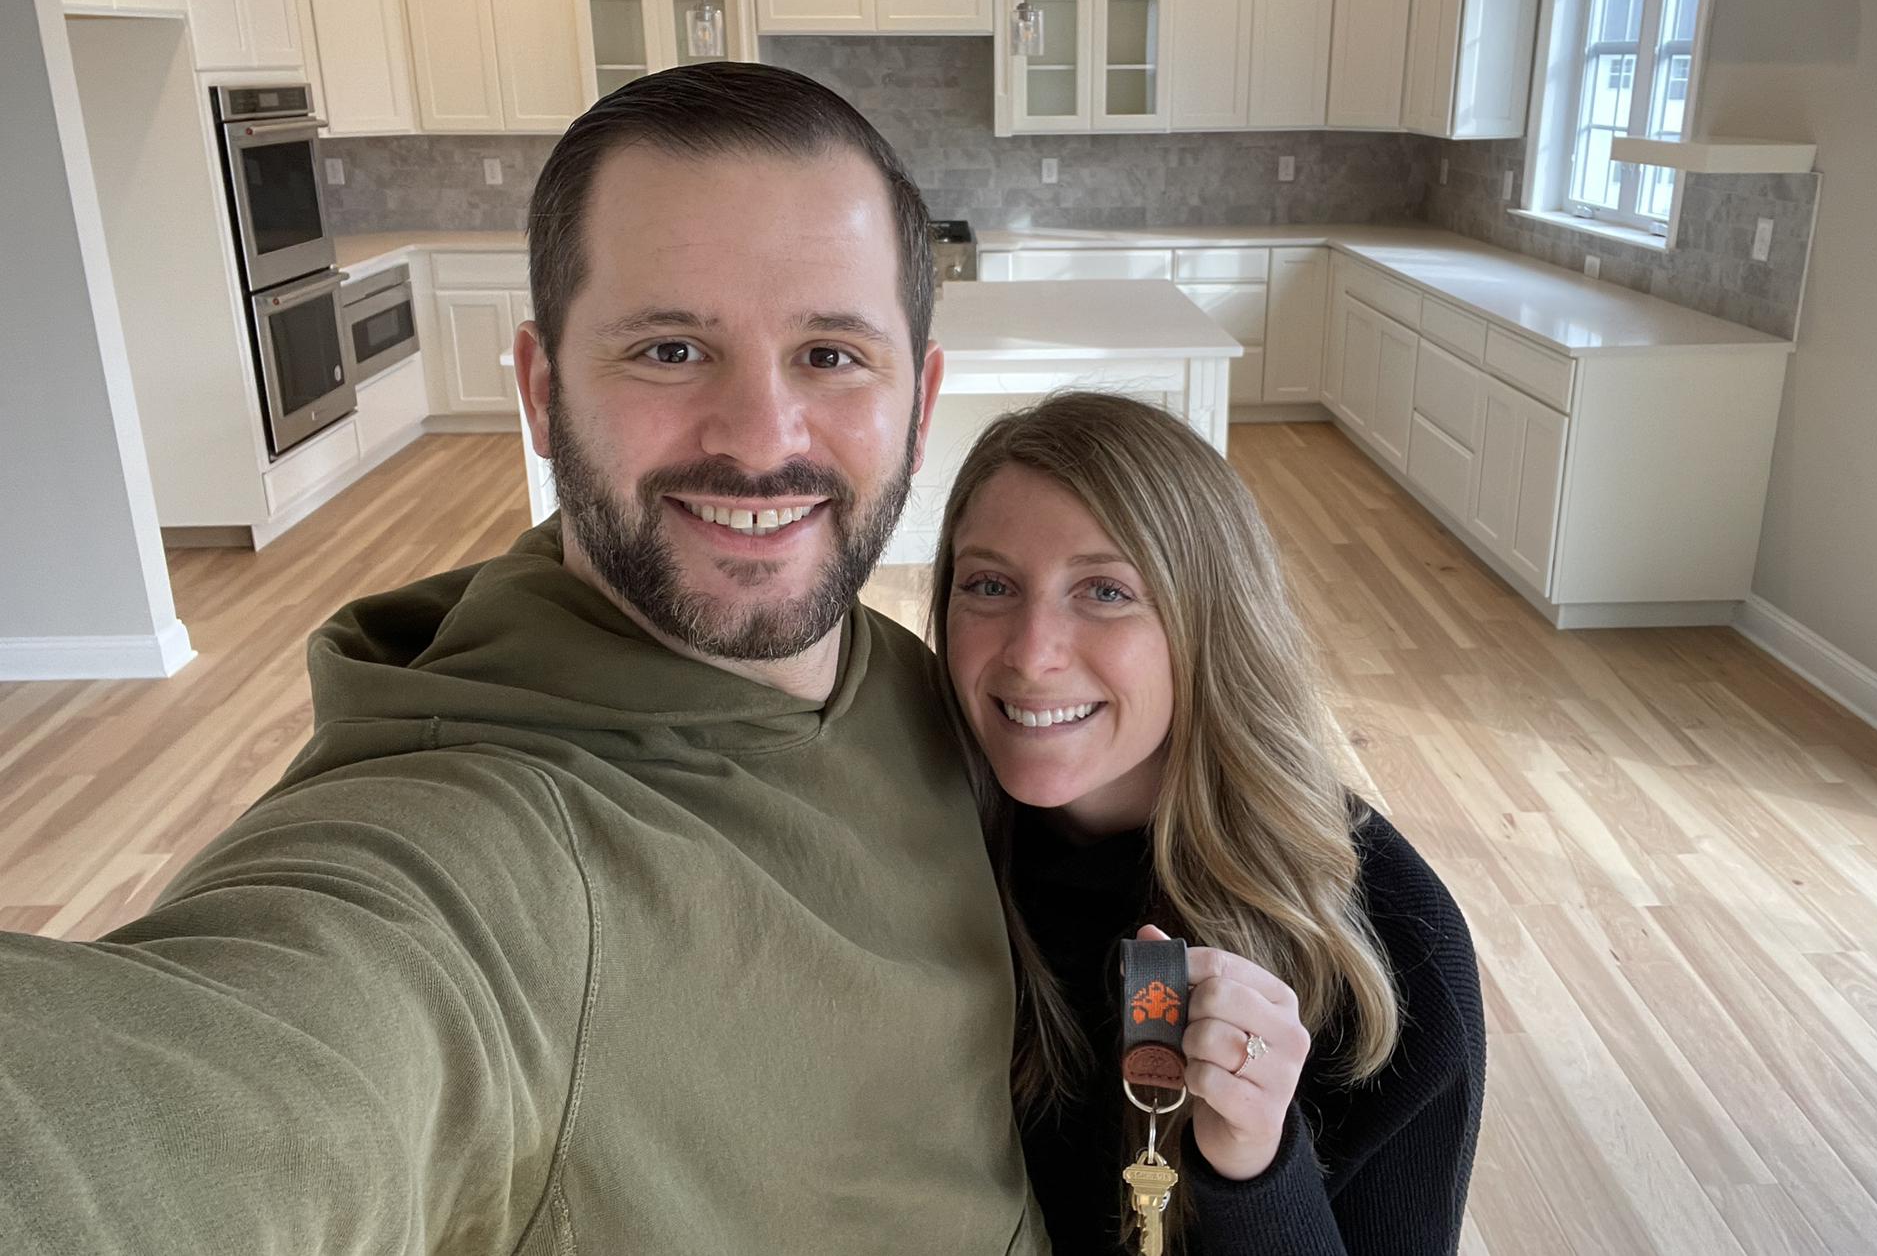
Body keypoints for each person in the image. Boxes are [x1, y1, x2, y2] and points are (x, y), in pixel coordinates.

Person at [0, 63, 1049, 1255]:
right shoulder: (484, 853)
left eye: (829, 355)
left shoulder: (898, 676)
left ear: (917, 404)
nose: (761, 440)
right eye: (667, 350)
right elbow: (205, 1097)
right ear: (543, 395)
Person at [929, 391, 1485, 1254]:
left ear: (1209, 621)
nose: (1031, 652)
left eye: (1105, 591)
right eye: (990, 585)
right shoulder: (905, 829)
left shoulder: (1386, 944)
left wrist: (1256, 1169)